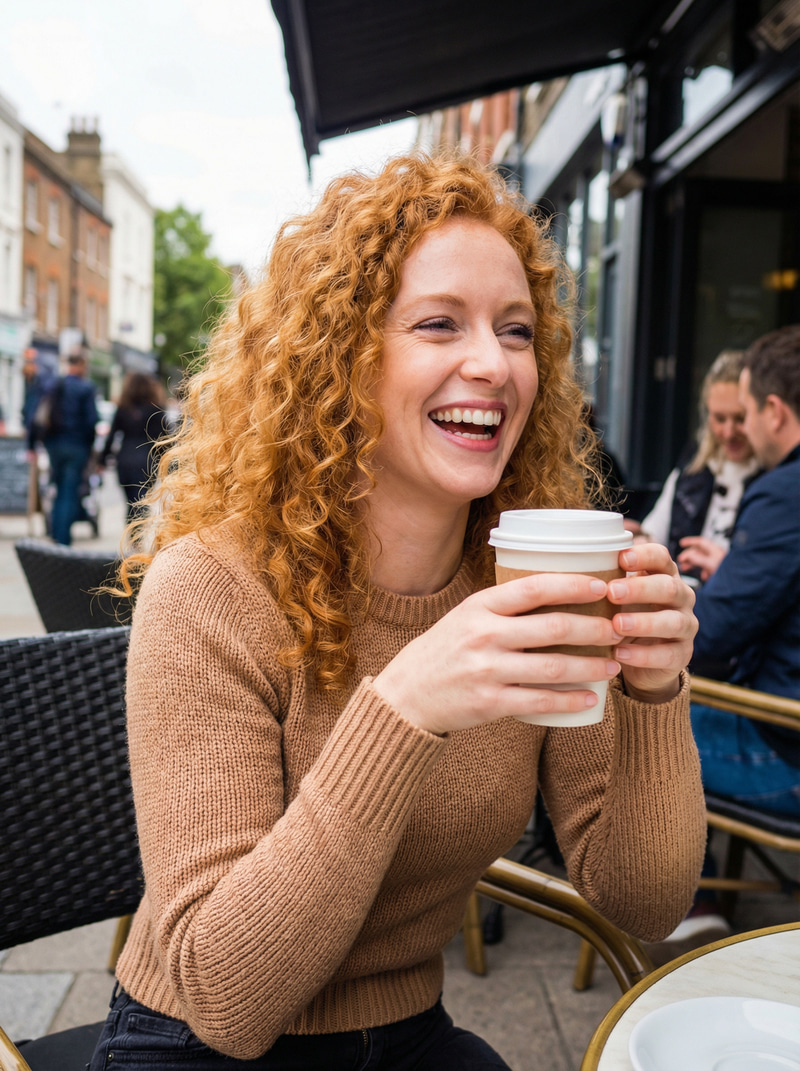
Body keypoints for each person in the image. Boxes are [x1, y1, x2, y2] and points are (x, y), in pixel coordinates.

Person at [90, 154, 704, 1069]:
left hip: (408, 1032)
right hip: (193, 1044)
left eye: (517, 331)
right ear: (340, 357)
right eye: (438, 324)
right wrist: (405, 707)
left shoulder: (525, 584)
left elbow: (641, 904)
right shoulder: (211, 590)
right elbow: (223, 997)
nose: (492, 364)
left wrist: (657, 692)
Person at [631, 350, 759, 581]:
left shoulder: (774, 479)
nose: (728, 433)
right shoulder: (693, 463)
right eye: (719, 419)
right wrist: (640, 543)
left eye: (739, 419)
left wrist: (725, 568)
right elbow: (654, 533)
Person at [31, 351, 99, 546]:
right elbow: (91, 420)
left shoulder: (54, 384)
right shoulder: (86, 388)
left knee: (58, 487)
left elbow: (36, 416)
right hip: (76, 446)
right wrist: (90, 447)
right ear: (82, 365)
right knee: (69, 491)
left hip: (54, 445)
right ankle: (63, 538)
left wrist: (34, 443)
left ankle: (55, 532)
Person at [101, 372, 170, 522]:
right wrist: (169, 466)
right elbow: (164, 440)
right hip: (147, 461)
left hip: (124, 460)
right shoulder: (156, 410)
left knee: (132, 503)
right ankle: (137, 538)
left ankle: (132, 535)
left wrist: (102, 460)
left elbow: (111, 437)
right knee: (141, 502)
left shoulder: (123, 409)